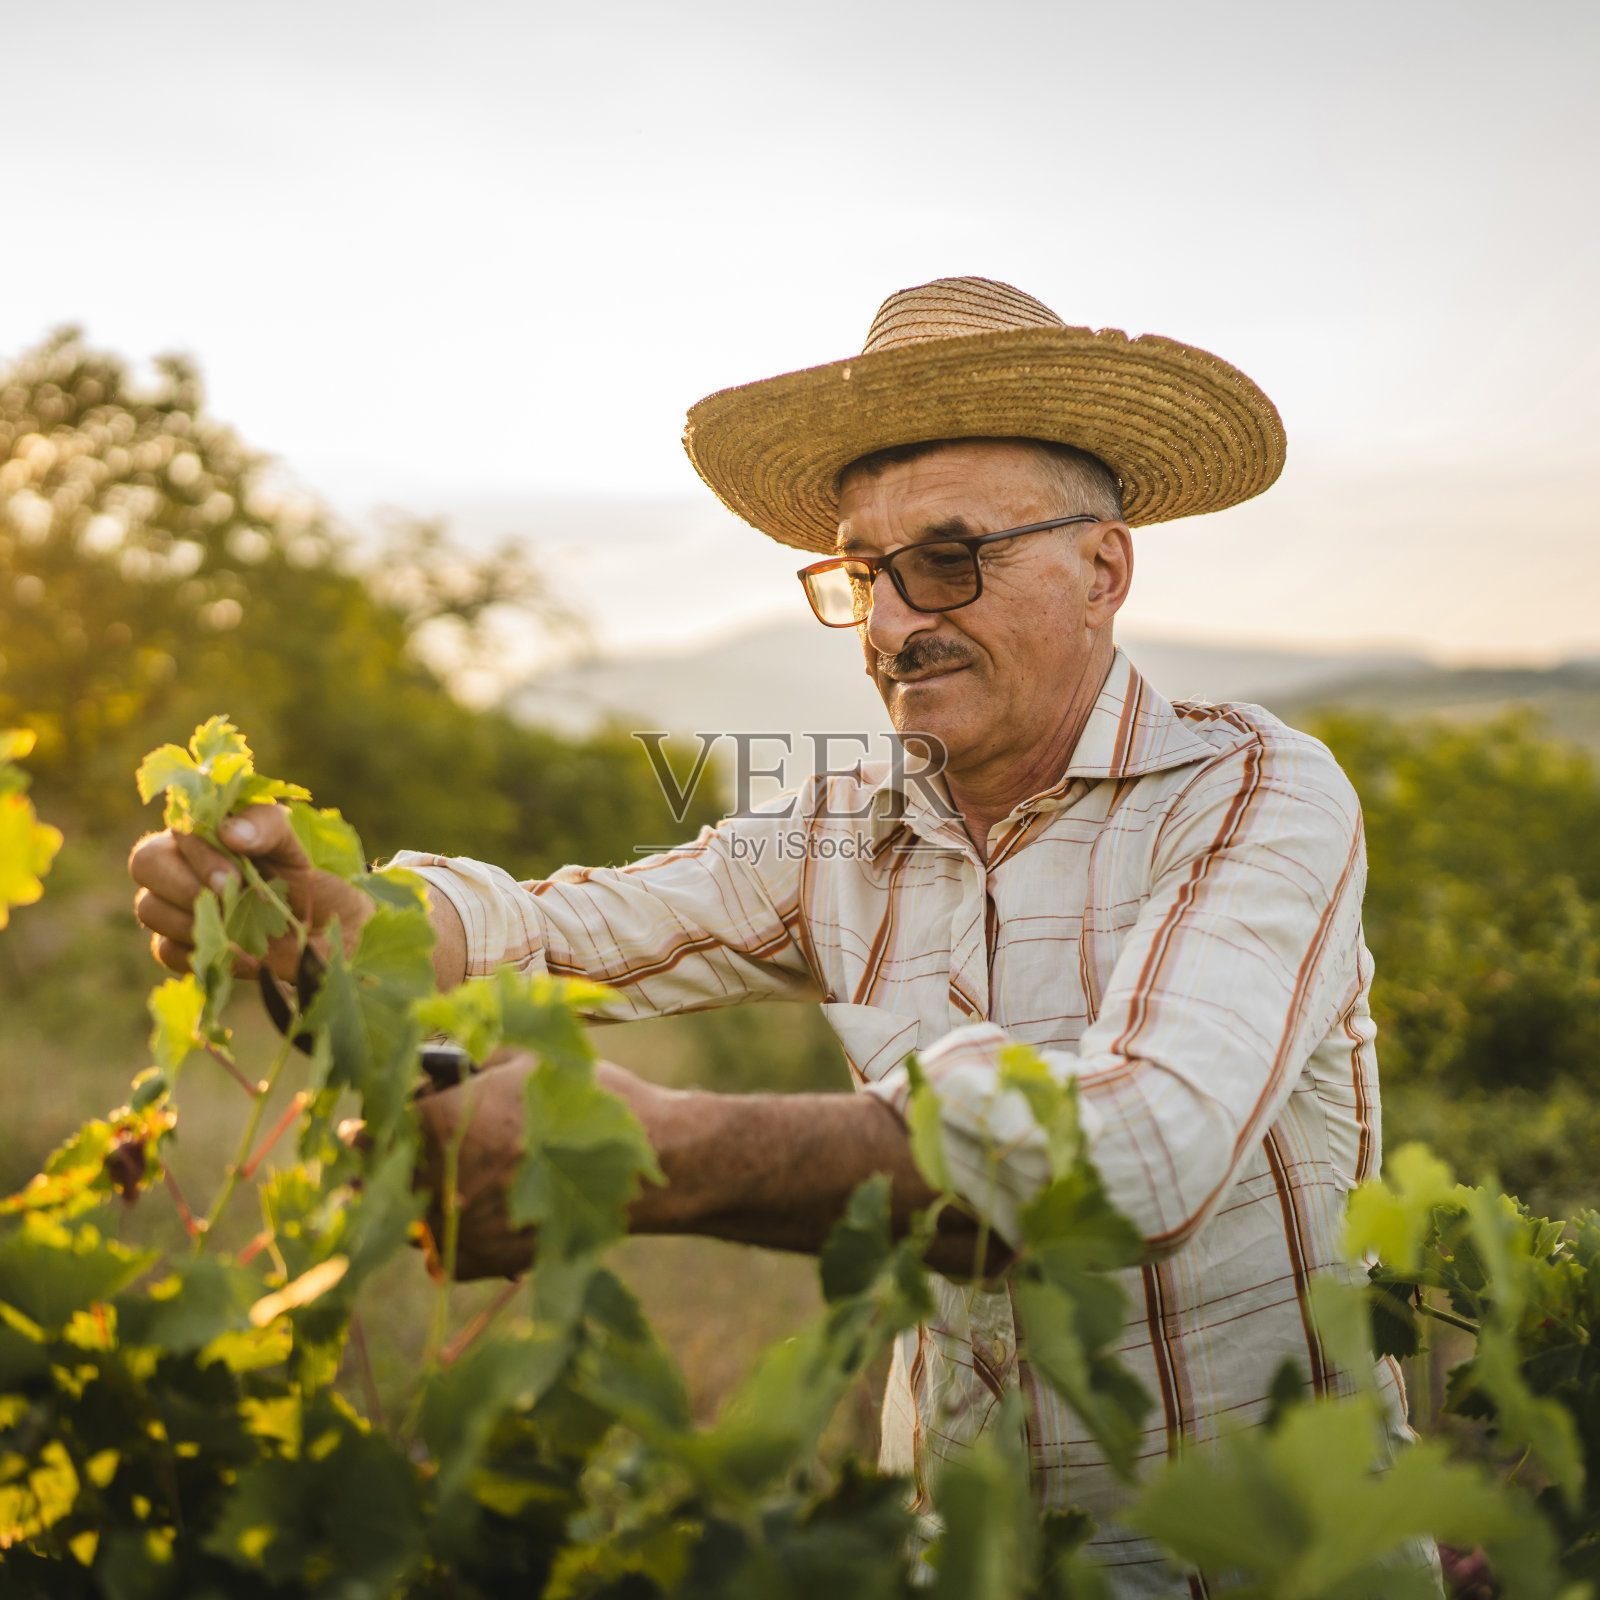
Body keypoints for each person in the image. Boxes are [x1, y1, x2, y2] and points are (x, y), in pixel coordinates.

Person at [130, 277, 1414, 1595]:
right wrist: (335, 916)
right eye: (865, 573)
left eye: (951, 559)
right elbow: (557, 934)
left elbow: (1139, 1159)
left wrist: (659, 1151)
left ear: (1104, 568)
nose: (899, 624)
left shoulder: (1254, 790)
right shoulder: (841, 830)